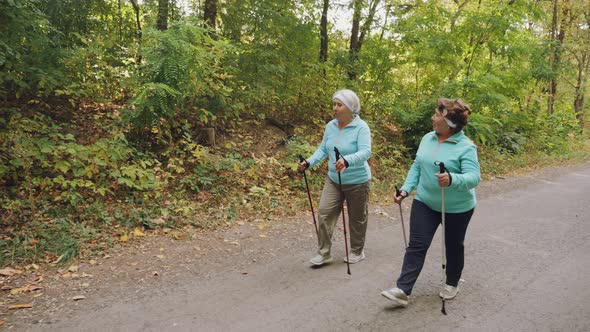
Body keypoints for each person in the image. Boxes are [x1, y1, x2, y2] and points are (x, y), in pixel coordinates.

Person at [381, 98, 480, 306]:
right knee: (417, 244)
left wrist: (453, 179)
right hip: (425, 201)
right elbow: (417, 166)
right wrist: (406, 189)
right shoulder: (428, 138)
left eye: (437, 115)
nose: (433, 117)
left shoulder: (466, 147)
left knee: (453, 245)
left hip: (457, 207)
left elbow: (474, 177)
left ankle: (452, 282)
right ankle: (403, 289)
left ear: (450, 124)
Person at [298, 89, 372, 266]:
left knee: (357, 218)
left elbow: (366, 152)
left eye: (339, 105)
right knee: (324, 213)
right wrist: (309, 162)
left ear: (350, 107)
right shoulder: (331, 126)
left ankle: (356, 250)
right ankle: (324, 253)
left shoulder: (361, 127)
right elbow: (324, 149)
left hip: (358, 181)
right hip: (333, 179)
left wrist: (347, 160)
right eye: (334, 104)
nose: (335, 108)